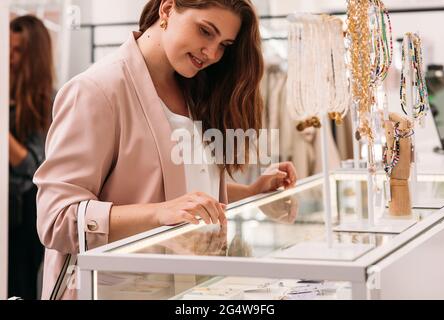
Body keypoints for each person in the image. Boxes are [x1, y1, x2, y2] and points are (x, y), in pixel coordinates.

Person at [33, 0, 298, 300]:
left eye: (224, 44)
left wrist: (252, 191)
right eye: (205, 31)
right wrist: (160, 214)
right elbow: (56, 219)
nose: (212, 53)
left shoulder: (196, 90)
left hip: (190, 289)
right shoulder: (96, 91)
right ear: (168, 9)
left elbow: (176, 188)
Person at [8, 15, 53, 299]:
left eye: (19, 50)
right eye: (8, 49)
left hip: (24, 216)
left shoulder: (48, 103)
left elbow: (34, 166)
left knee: (19, 287)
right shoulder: (7, 97)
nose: (11, 58)